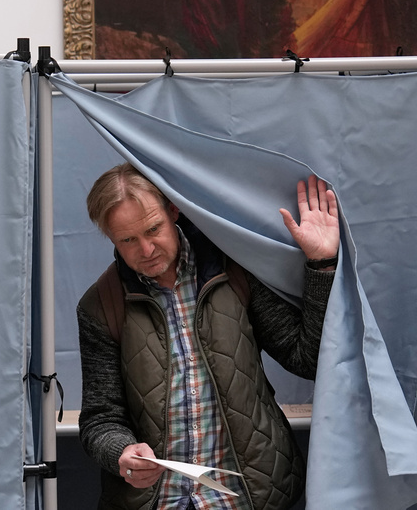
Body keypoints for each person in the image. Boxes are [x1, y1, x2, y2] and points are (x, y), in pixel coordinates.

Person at [77, 163, 338, 510]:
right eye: (128, 240)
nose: (146, 249)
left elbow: (308, 359)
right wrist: (121, 452)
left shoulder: (234, 271)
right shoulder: (102, 305)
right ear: (111, 237)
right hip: (158, 502)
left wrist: (321, 264)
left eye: (153, 229)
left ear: (174, 210)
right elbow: (100, 418)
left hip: (244, 496)